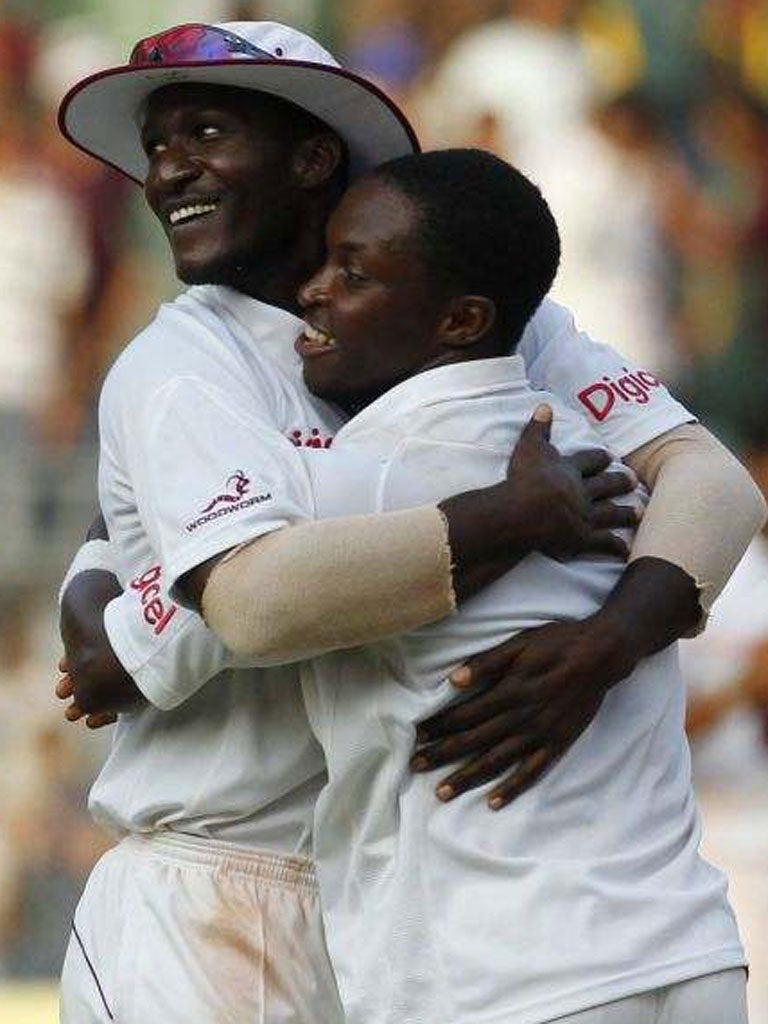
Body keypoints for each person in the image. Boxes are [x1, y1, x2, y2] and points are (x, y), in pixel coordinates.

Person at [55, 20, 763, 1024]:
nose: (167, 174)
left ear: (311, 157)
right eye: (157, 151)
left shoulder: (472, 307)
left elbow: (714, 485)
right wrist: (509, 515)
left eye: (204, 134)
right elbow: (250, 601)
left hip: (400, 896)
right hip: (216, 886)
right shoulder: (182, 364)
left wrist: (612, 639)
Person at [287, 147, 747, 1023]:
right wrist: (612, 637)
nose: (313, 290)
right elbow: (718, 490)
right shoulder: (613, 457)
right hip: (690, 952)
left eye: (353, 271)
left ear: (461, 319)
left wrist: (102, 584)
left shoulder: (352, 482)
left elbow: (226, 615)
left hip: (506, 971)